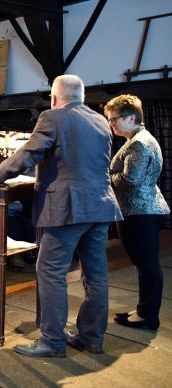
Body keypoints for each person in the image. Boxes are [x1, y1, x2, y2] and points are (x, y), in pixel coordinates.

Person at [0, 74, 122, 357]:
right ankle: (92, 337)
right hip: (100, 207)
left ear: (54, 97)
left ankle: (52, 341)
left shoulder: (53, 117)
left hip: (67, 207)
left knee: (50, 271)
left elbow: (27, 154)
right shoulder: (101, 121)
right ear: (82, 95)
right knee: (96, 275)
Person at [105, 94, 170, 331]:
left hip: (140, 212)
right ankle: (144, 310)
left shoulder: (139, 143)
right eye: (110, 120)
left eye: (114, 119)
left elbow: (129, 180)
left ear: (132, 117)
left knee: (147, 265)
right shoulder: (138, 138)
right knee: (146, 264)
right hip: (142, 210)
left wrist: (106, 176)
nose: (111, 124)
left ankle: (147, 316)